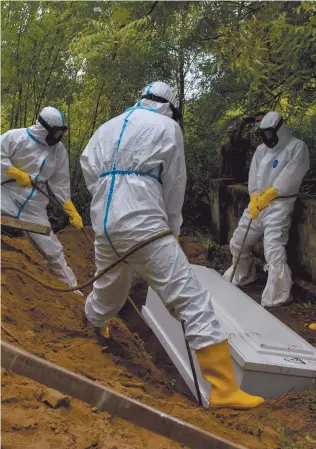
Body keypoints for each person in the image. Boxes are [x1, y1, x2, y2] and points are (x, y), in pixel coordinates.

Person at [81, 81, 263, 409]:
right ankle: (223, 388)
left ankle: (92, 327)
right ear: (171, 107)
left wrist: (105, 199)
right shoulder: (166, 127)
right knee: (190, 298)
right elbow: (175, 181)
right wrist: (171, 227)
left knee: (110, 288)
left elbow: (88, 167)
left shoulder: (105, 127)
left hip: (105, 224)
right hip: (143, 222)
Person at [224, 111, 310, 307]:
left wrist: (270, 195)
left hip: (280, 203)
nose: (266, 139)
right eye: (263, 135)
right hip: (257, 204)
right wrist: (255, 196)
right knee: (238, 241)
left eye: (269, 134)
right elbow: (254, 174)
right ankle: (243, 274)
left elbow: (291, 175)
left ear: (280, 129)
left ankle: (278, 293)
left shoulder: (296, 147)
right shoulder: (261, 150)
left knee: (273, 247)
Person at [1, 106, 83, 291]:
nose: (58, 137)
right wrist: (12, 171)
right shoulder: (16, 137)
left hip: (34, 207)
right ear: (43, 127)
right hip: (5, 195)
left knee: (54, 252)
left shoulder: (59, 151)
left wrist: (68, 206)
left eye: (61, 132)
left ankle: (73, 293)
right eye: (55, 132)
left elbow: (60, 181)